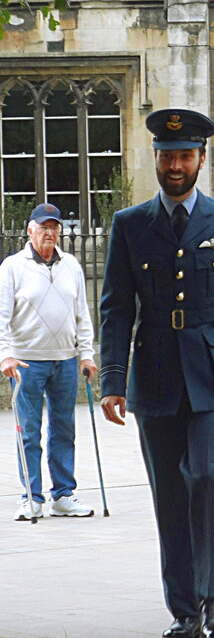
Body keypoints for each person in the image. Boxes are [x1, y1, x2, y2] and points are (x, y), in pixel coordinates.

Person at [99, 109, 214, 638]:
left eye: (184, 156)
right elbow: (116, 308)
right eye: (167, 156)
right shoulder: (130, 225)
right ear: (156, 159)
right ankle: (183, 609)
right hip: (153, 375)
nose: (175, 165)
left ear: (201, 159)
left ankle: (212, 595)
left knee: (207, 475)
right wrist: (112, 379)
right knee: (168, 493)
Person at [0, 203, 96, 521]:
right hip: (26, 361)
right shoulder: (12, 267)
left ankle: (63, 494)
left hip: (66, 360)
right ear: (30, 231)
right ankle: (31, 497)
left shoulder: (71, 265)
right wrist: (5, 354)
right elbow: (1, 316)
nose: (50, 233)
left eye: (55, 228)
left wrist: (87, 354)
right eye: (44, 227)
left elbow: (82, 313)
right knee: (28, 431)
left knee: (63, 428)